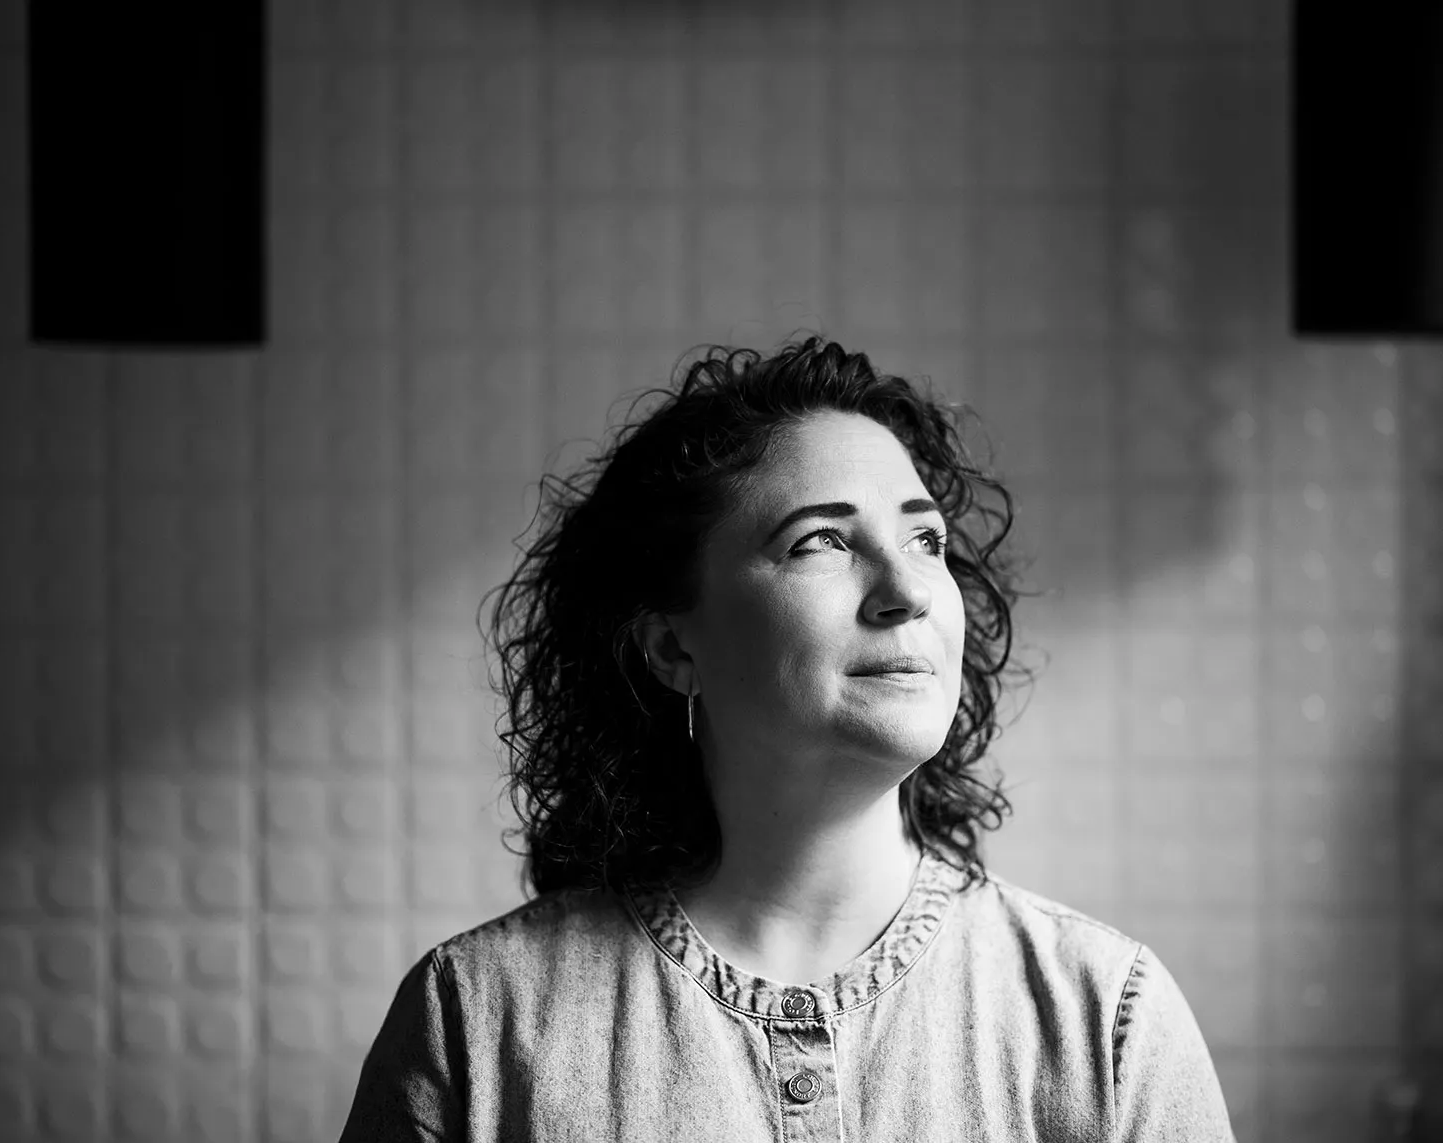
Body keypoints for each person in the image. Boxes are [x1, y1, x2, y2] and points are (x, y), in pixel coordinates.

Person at [337, 337, 1236, 1141]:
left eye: (925, 539)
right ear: (672, 648)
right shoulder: (475, 1021)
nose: (908, 591)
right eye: (820, 542)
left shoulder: (1107, 1019)